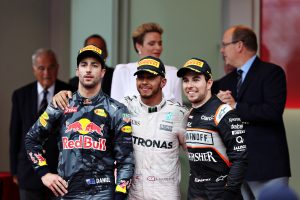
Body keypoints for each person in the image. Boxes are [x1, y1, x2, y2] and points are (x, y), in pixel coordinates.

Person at [52, 56, 188, 200]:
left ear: (163, 82)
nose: (144, 82)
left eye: (151, 77)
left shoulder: (179, 114)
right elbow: (92, 105)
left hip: (166, 195)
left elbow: (197, 156)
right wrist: (65, 95)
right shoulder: (123, 107)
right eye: (141, 77)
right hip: (132, 194)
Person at [24, 45, 134, 199]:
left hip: (103, 195)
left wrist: (119, 196)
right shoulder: (61, 104)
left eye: (94, 65)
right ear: (77, 71)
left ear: (103, 72)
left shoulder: (117, 110)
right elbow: (31, 139)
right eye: (84, 65)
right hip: (68, 193)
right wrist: (44, 173)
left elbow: (126, 161)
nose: (88, 70)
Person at [213, 25, 291, 199]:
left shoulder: (272, 73)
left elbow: (272, 111)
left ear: (239, 45)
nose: (222, 50)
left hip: (267, 167)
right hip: (237, 169)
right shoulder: (225, 82)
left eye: (225, 45)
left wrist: (236, 106)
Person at [177, 58, 248, 200]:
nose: (189, 85)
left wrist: (230, 191)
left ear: (209, 83)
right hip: (195, 193)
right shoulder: (188, 114)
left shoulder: (223, 112)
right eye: (186, 80)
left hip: (221, 193)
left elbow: (240, 158)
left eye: (196, 79)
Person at [9, 48, 72, 200]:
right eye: (41, 68)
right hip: (28, 171)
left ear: (57, 68)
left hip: (61, 173)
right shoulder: (20, 95)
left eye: (51, 67)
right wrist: (14, 170)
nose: (46, 73)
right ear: (34, 70)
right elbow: (15, 134)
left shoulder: (70, 92)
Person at [111, 22, 182, 103]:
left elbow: (177, 110)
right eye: (151, 44)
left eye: (160, 43)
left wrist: (165, 116)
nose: (158, 47)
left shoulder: (173, 73)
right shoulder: (122, 70)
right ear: (138, 46)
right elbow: (115, 108)